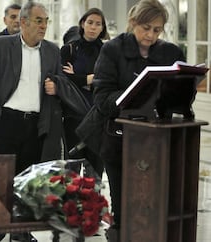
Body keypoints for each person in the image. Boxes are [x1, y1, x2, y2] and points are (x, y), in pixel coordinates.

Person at [76, 1, 185, 241]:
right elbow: (102, 97)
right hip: (118, 139)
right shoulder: (113, 50)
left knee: (155, 203)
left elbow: (180, 94)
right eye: (146, 28)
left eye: (157, 29)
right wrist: (136, 97)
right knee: (124, 203)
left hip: (156, 141)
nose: (151, 34)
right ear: (133, 23)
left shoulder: (169, 52)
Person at [0, 3, 71, 240]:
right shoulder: (1, 45)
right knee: (2, 182)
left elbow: (59, 81)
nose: (43, 26)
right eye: (39, 20)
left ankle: (21, 233)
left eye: (46, 21)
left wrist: (55, 86)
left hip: (35, 125)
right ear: (24, 22)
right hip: (6, 121)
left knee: (28, 183)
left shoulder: (52, 50)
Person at [60, 8, 108, 180]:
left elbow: (108, 82)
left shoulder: (108, 50)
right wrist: (90, 78)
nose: (93, 27)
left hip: (99, 114)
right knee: (72, 167)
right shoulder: (69, 49)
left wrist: (79, 78)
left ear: (102, 28)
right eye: (90, 22)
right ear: (82, 23)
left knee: (95, 168)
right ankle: (72, 205)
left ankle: (94, 205)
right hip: (74, 114)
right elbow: (65, 81)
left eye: (98, 24)